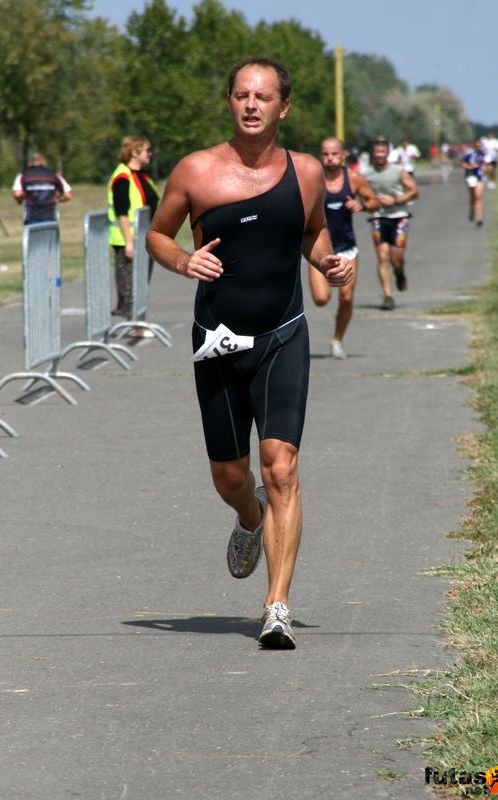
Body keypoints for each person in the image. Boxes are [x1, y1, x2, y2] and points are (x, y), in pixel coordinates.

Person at [146, 57, 353, 649]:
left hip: (284, 333)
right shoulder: (196, 171)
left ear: (283, 107)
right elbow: (158, 234)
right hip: (217, 340)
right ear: (231, 102)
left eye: (263, 96)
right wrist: (184, 260)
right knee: (230, 476)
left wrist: (327, 261)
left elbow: (311, 230)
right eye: (241, 95)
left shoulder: (307, 171)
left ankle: (277, 606)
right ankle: (248, 516)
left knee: (281, 467)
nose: (252, 104)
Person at [308, 137, 379, 359]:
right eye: (325, 154)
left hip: (347, 247)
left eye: (334, 154)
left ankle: (337, 340)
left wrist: (362, 205)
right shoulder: (312, 178)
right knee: (320, 299)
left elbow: (374, 202)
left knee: (346, 298)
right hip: (320, 250)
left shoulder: (354, 179)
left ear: (343, 155)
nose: (329, 158)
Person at [107, 136, 160, 331]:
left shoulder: (144, 176)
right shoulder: (122, 177)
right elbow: (122, 211)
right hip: (128, 240)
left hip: (144, 239)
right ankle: (133, 325)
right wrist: (129, 242)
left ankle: (138, 322)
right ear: (135, 152)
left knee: (141, 283)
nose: (150, 154)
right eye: (146, 150)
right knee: (129, 285)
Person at [364, 137, 419, 310]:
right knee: (382, 257)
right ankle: (388, 296)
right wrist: (369, 202)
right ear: (372, 154)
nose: (380, 155)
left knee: (396, 259)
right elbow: (361, 195)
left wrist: (395, 199)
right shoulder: (366, 174)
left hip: (399, 218)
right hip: (378, 219)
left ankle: (400, 273)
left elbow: (414, 192)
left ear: (388, 153)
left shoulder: (398, 171)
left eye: (383, 151)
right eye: (377, 152)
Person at [12, 153, 72, 225]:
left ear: (29, 163)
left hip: (31, 216)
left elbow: (17, 194)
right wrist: (57, 199)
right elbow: (68, 196)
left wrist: (23, 198)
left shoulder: (22, 176)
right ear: (44, 162)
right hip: (50, 216)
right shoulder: (54, 175)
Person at [460, 140, 486, 227]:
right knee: (473, 196)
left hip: (480, 177)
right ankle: (472, 209)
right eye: (476, 146)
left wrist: (485, 168)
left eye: (479, 145)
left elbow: (487, 163)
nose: (478, 147)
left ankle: (479, 218)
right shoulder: (469, 154)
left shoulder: (484, 153)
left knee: (478, 196)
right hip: (471, 176)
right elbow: (462, 163)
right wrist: (470, 166)